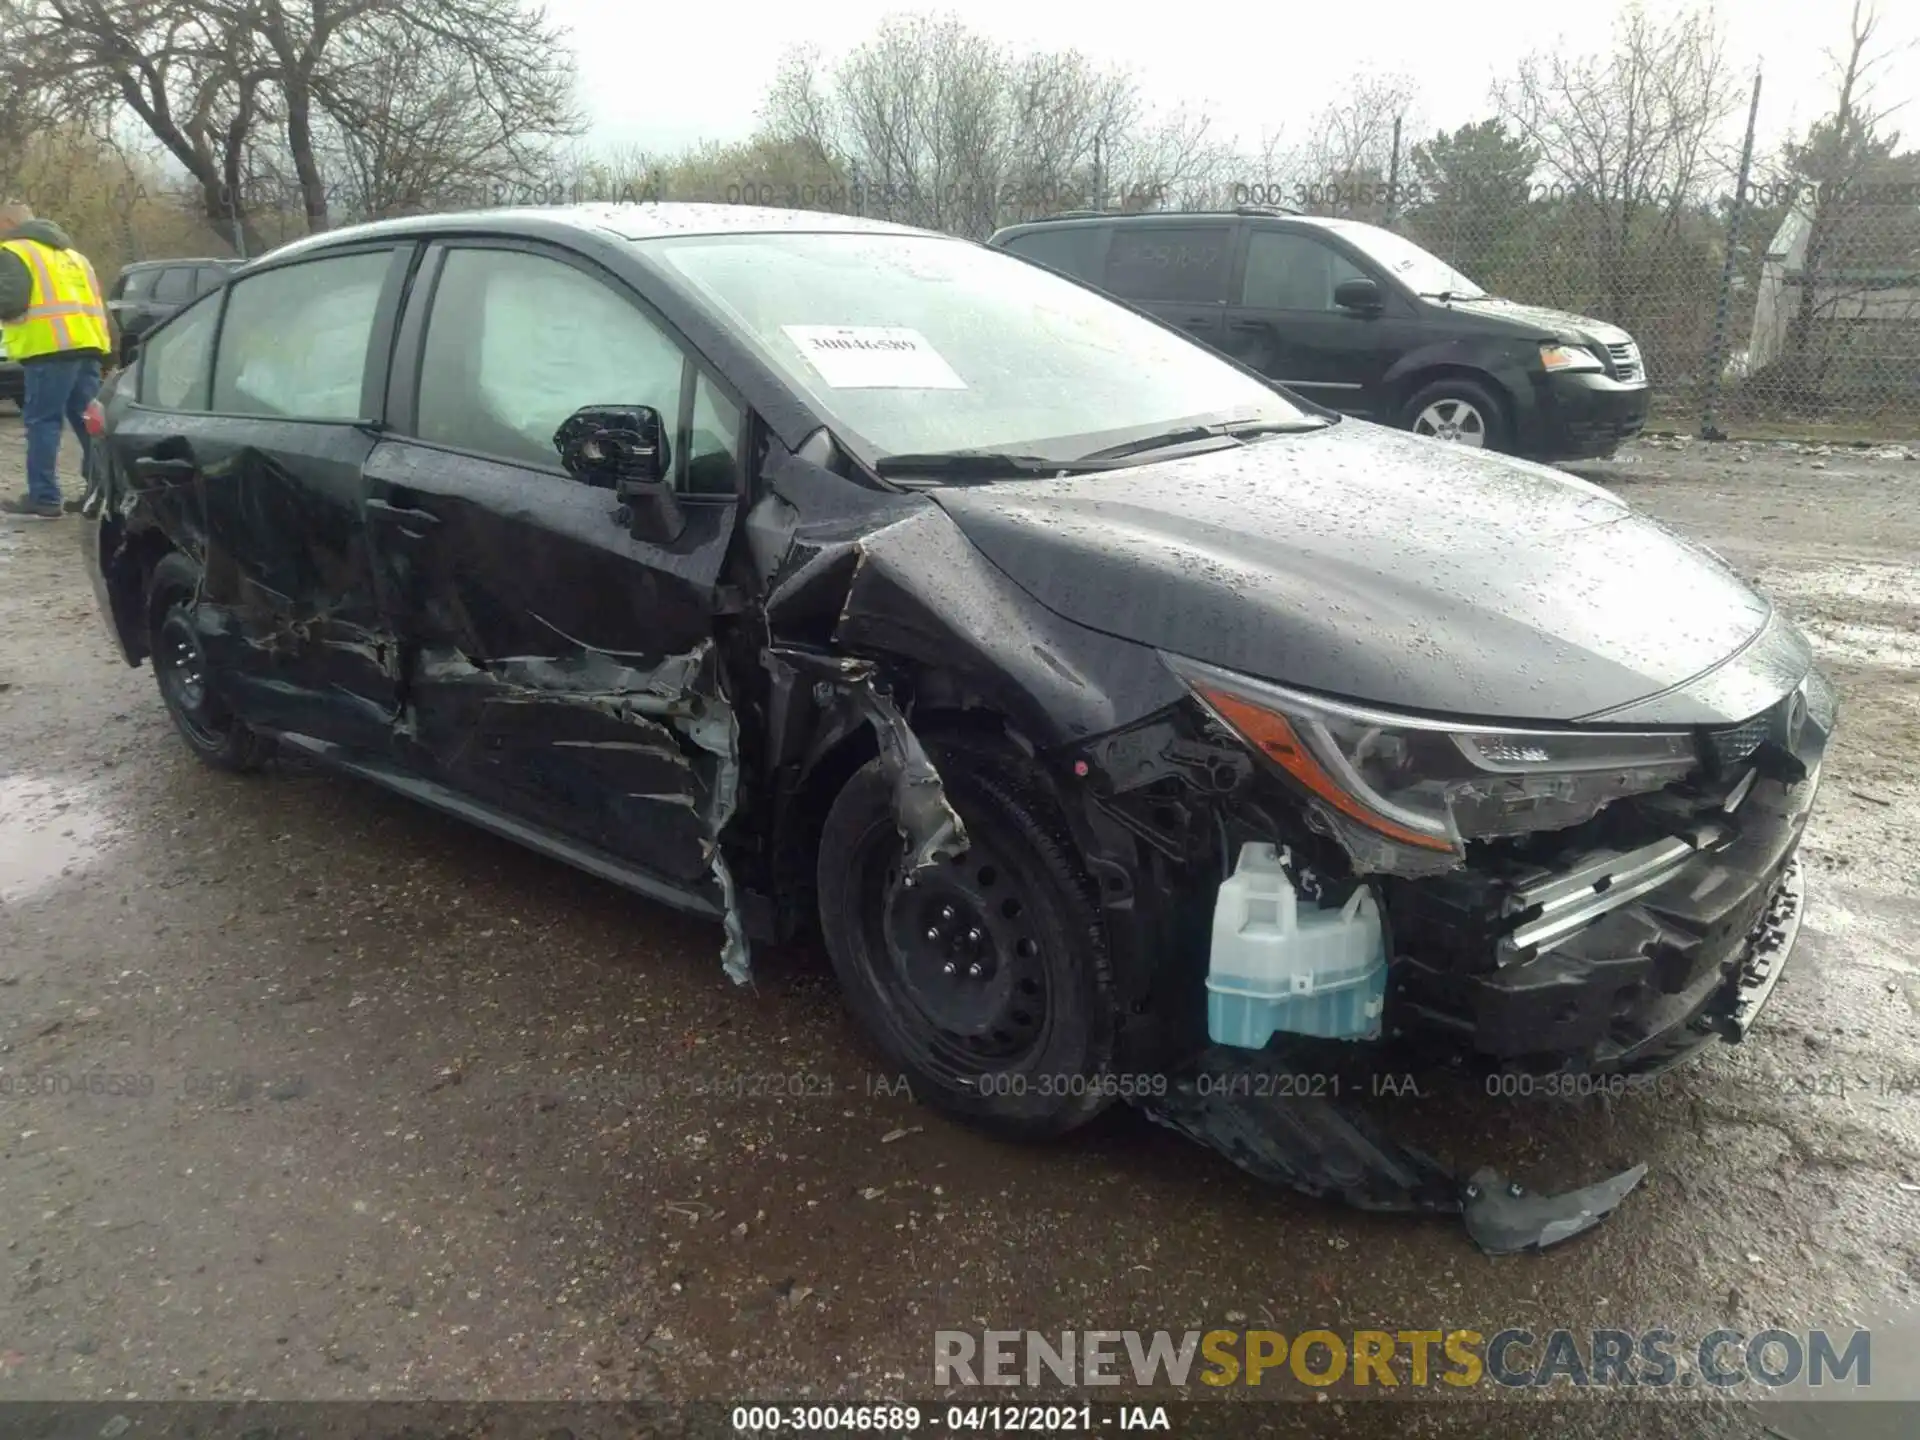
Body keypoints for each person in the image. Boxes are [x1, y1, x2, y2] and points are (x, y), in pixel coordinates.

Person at [0, 201, 111, 519]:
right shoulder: (74, 256)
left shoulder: (15, 251)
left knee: (43, 422)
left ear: (8, 222)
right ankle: (101, 492)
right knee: (89, 423)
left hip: (49, 349)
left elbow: (9, 301)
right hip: (87, 344)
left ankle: (44, 497)